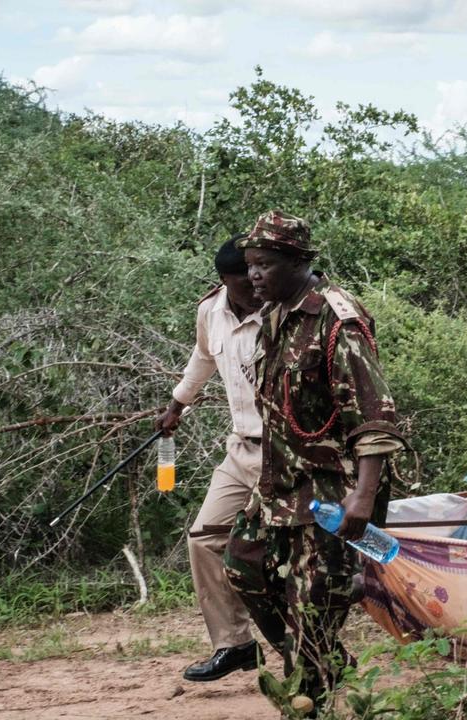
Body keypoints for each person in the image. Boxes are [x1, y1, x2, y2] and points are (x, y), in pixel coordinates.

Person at [223, 210, 405, 712]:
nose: (254, 275)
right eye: (250, 264)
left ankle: (311, 685)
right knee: (242, 566)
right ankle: (318, 657)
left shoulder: (336, 319)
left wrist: (364, 497)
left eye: (264, 264)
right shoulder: (277, 314)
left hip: (330, 490)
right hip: (280, 483)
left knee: (314, 608)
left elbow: (374, 415)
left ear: (298, 261)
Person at [155, 235, 264, 682]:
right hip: (242, 449)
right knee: (204, 538)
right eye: (246, 276)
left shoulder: (284, 312)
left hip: (289, 453)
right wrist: (176, 405)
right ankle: (234, 644)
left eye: (261, 270)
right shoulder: (210, 311)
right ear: (225, 280)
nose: (257, 282)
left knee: (273, 552)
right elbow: (202, 357)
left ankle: (315, 649)